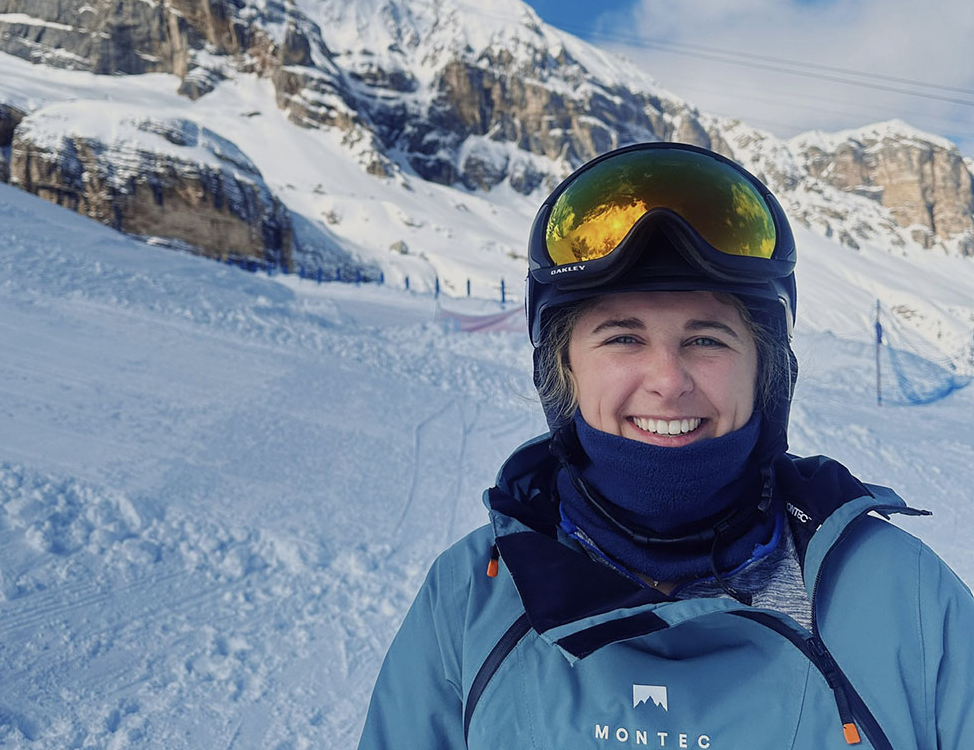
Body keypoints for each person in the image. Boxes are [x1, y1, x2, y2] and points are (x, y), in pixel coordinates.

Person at [357, 142, 974, 749]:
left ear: (766, 371)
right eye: (622, 338)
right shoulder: (472, 597)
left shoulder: (905, 598)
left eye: (707, 339)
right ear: (562, 370)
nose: (669, 381)